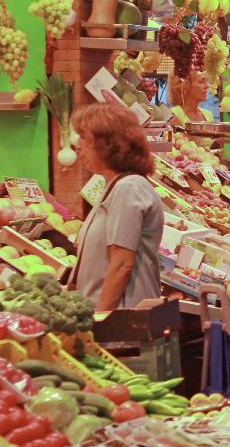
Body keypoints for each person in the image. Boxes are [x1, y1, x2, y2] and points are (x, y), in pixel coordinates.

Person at [69, 103, 163, 312]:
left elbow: (122, 265)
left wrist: (101, 319)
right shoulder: (115, 187)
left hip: (122, 323)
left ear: (107, 144)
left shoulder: (128, 188)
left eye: (85, 138)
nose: (79, 146)